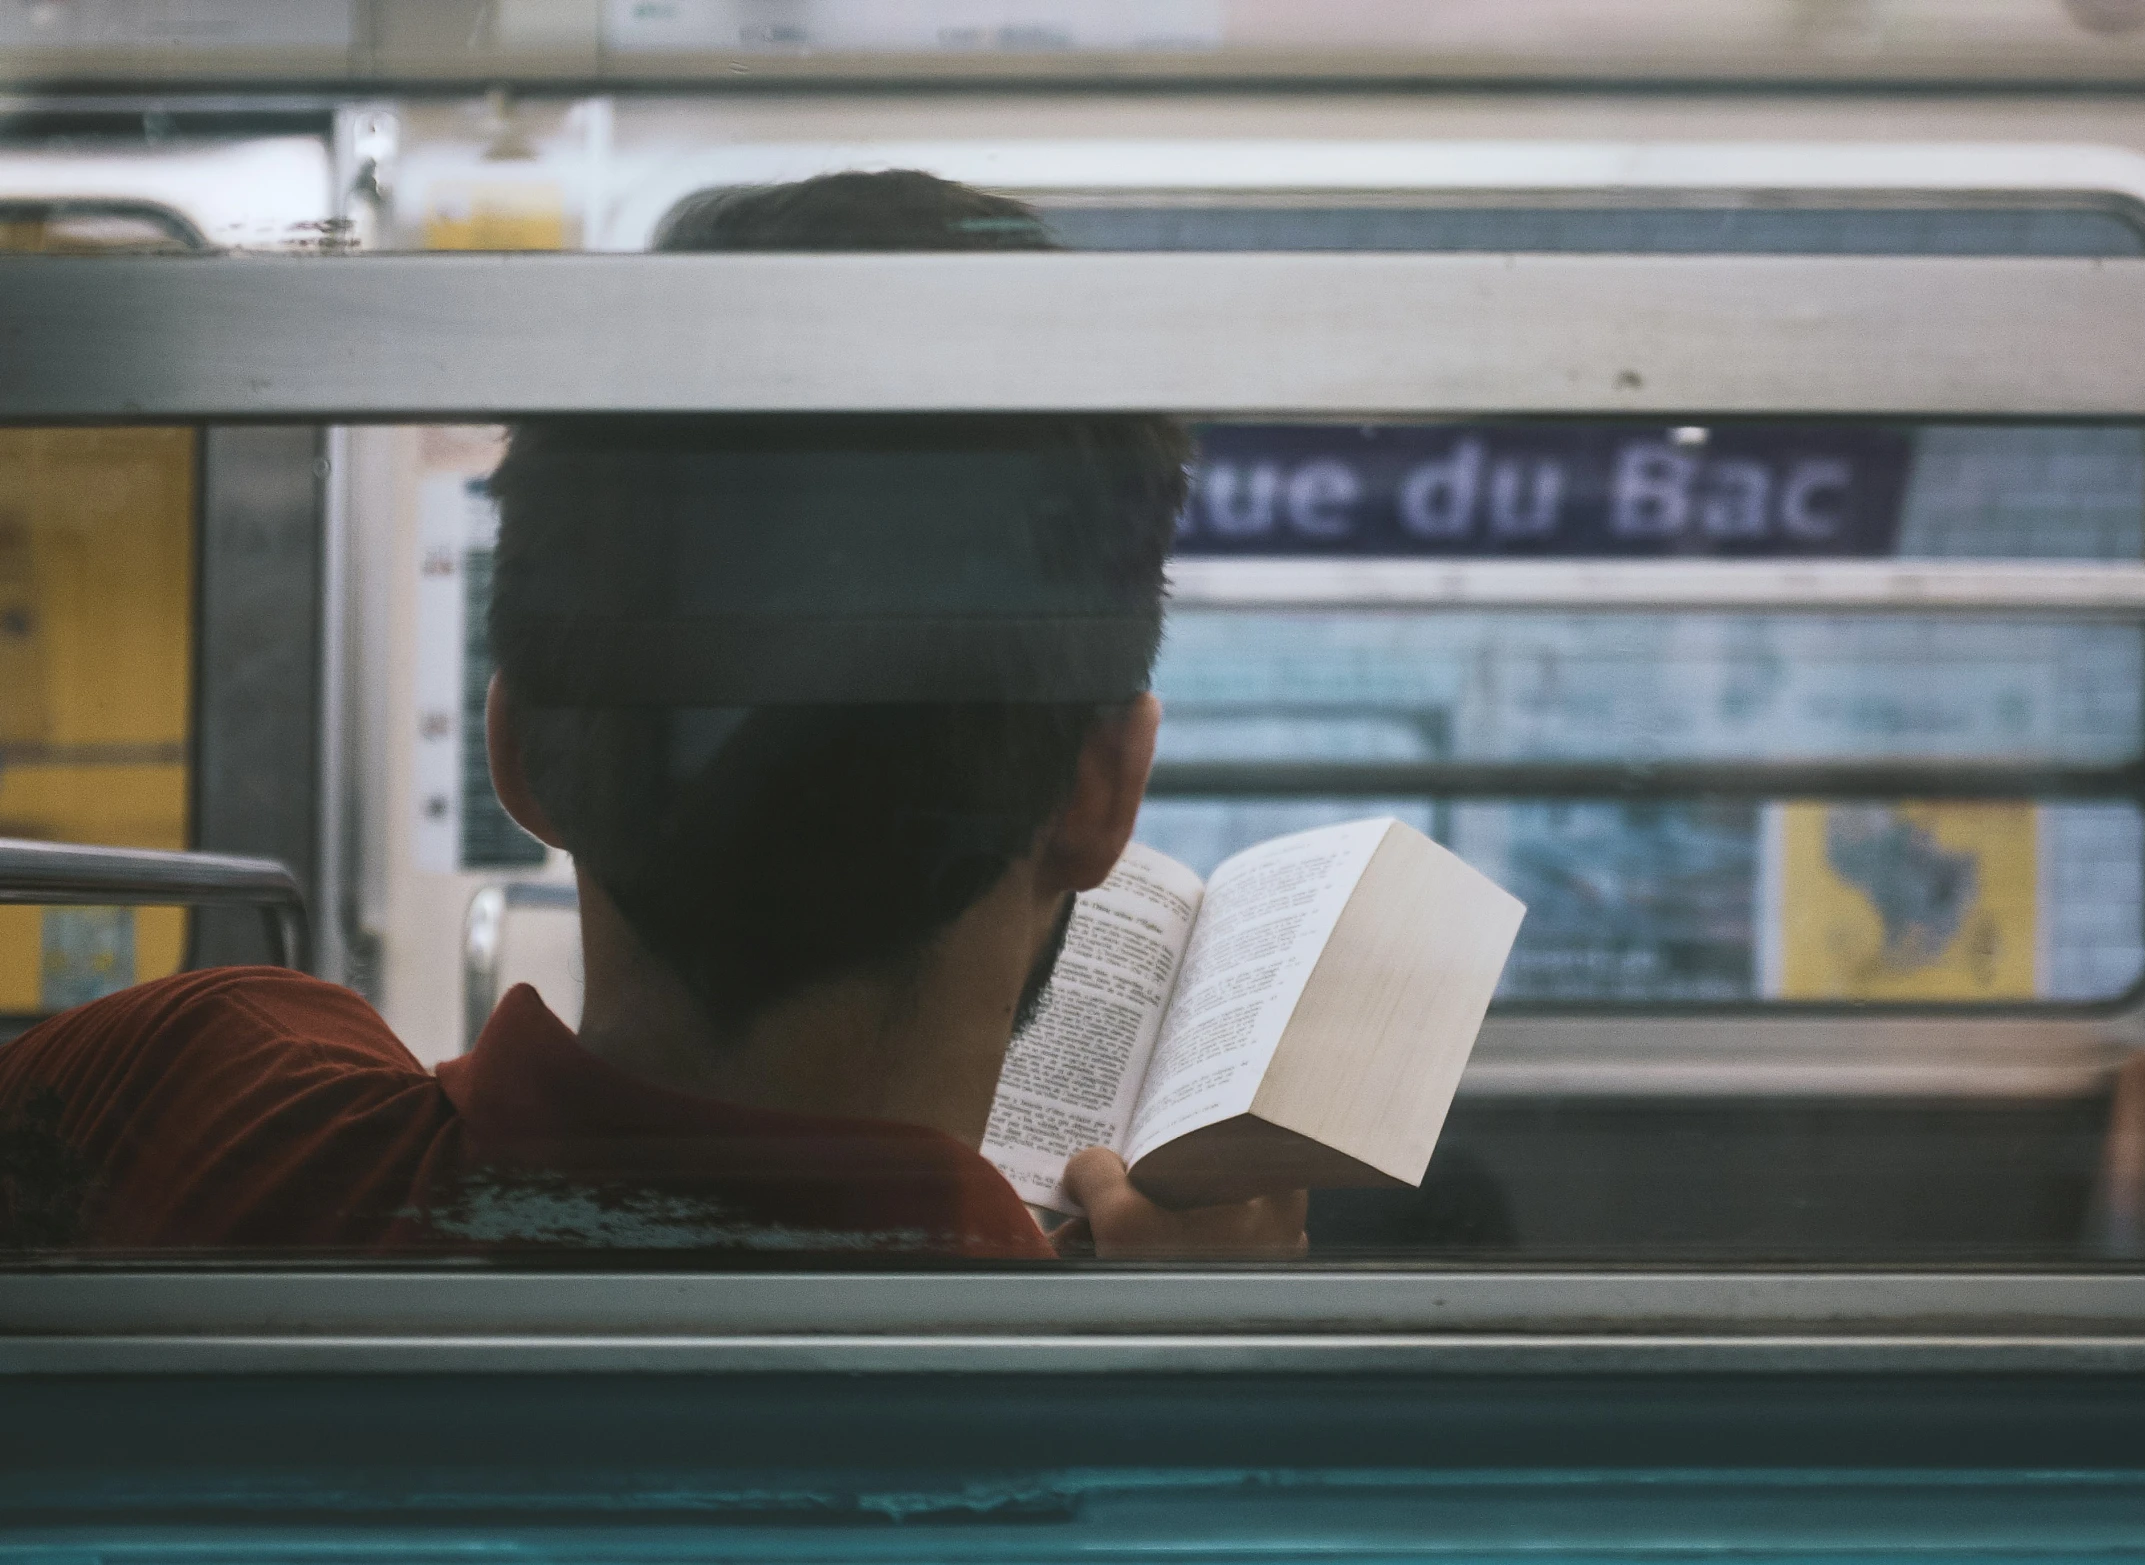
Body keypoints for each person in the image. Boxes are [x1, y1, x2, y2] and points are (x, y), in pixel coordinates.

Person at [0, 171, 1307, 1259]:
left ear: (519, 753)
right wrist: (1185, 1337)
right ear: (1101, 794)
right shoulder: (1071, 1401)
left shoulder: (187, 1083)